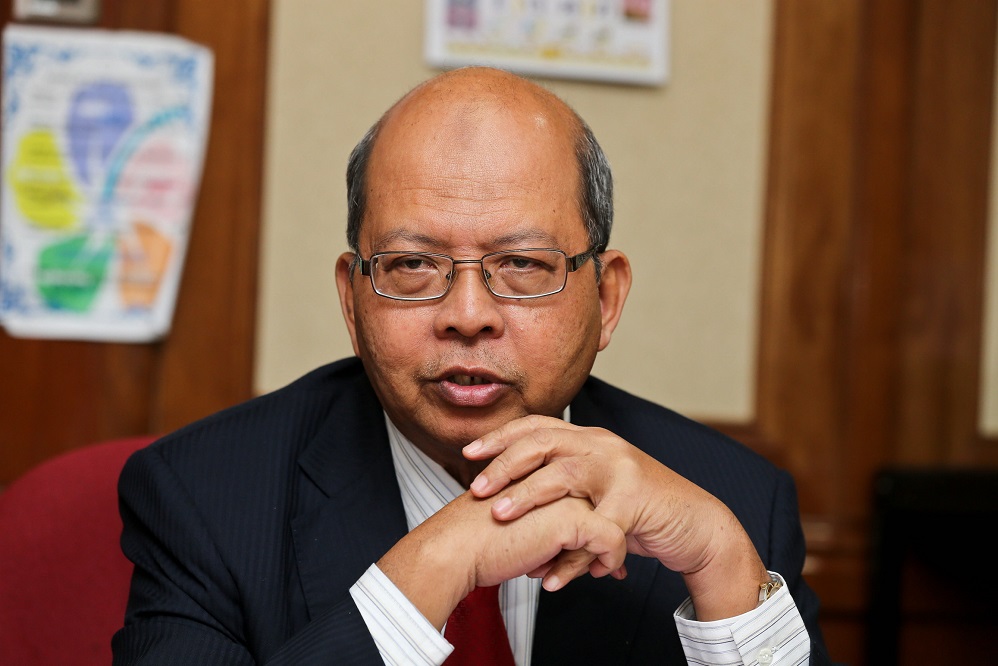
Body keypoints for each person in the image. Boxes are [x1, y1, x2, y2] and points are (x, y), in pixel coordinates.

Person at [113, 66, 834, 665]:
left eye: (522, 264)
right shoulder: (204, 499)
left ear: (606, 298)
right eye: (413, 264)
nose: (467, 313)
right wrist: (433, 568)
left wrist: (726, 576)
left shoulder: (733, 501)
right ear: (352, 299)